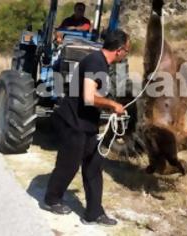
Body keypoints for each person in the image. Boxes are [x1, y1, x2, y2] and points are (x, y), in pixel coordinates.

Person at [44, 29, 130, 226]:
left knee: (93, 166)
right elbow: (89, 97)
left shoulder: (102, 63)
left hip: (86, 123)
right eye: (127, 50)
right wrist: (112, 105)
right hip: (72, 122)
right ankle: (51, 199)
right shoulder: (94, 62)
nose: (127, 53)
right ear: (118, 50)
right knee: (69, 164)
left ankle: (94, 213)